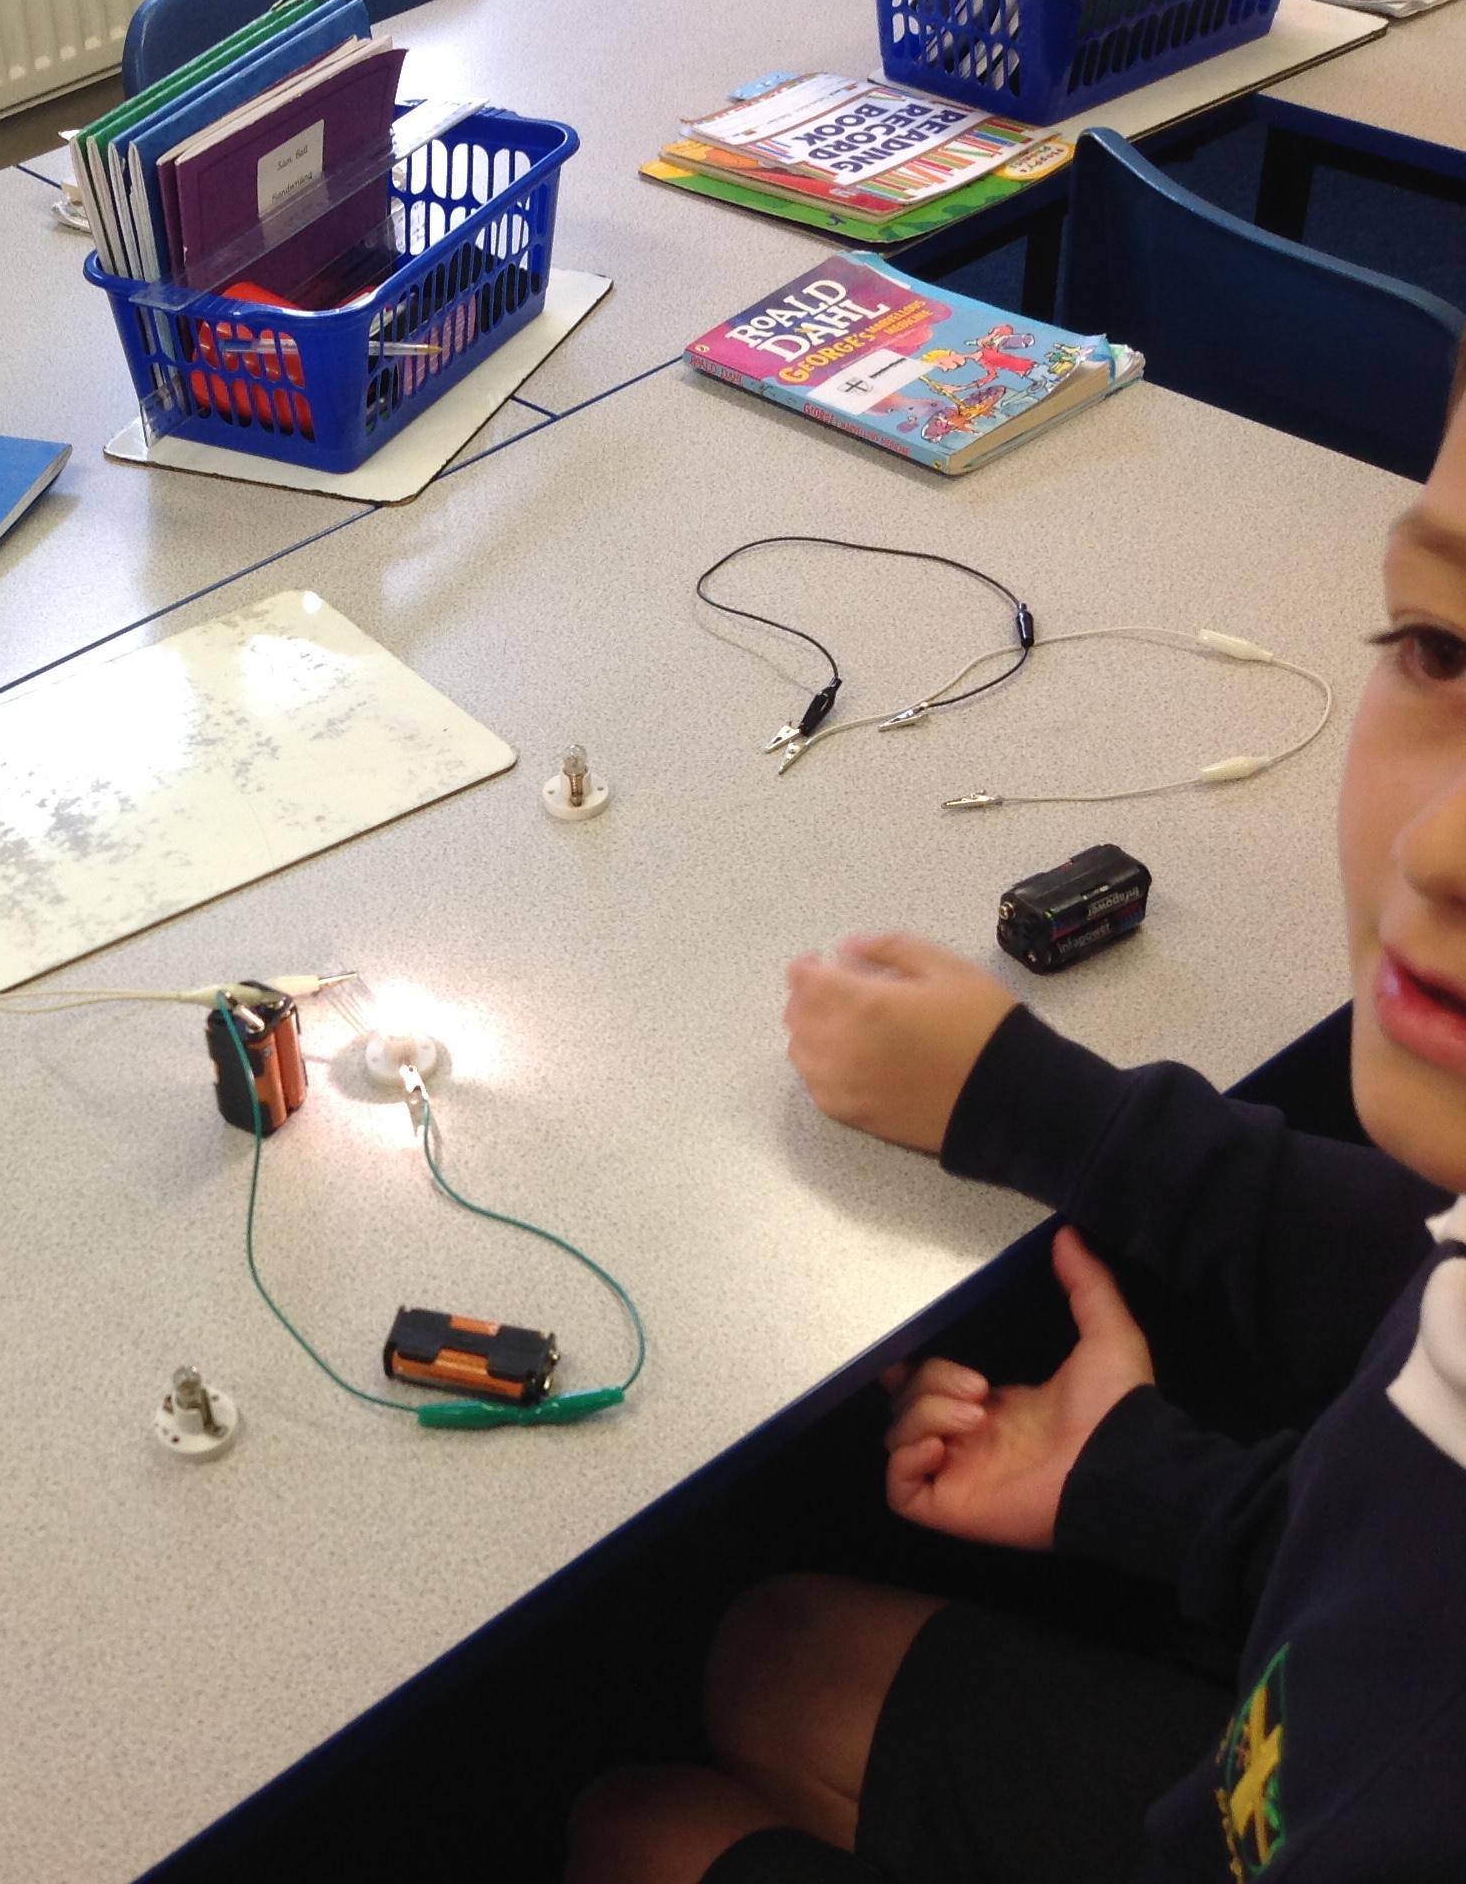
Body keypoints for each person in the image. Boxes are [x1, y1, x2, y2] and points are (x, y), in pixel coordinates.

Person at [571, 351, 1466, 1883]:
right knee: (774, 1657)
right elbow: (1401, 1530)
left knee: (637, 1835)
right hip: (1300, 1726)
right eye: (1442, 648)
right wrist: (1143, 1482)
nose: (1441, 848)